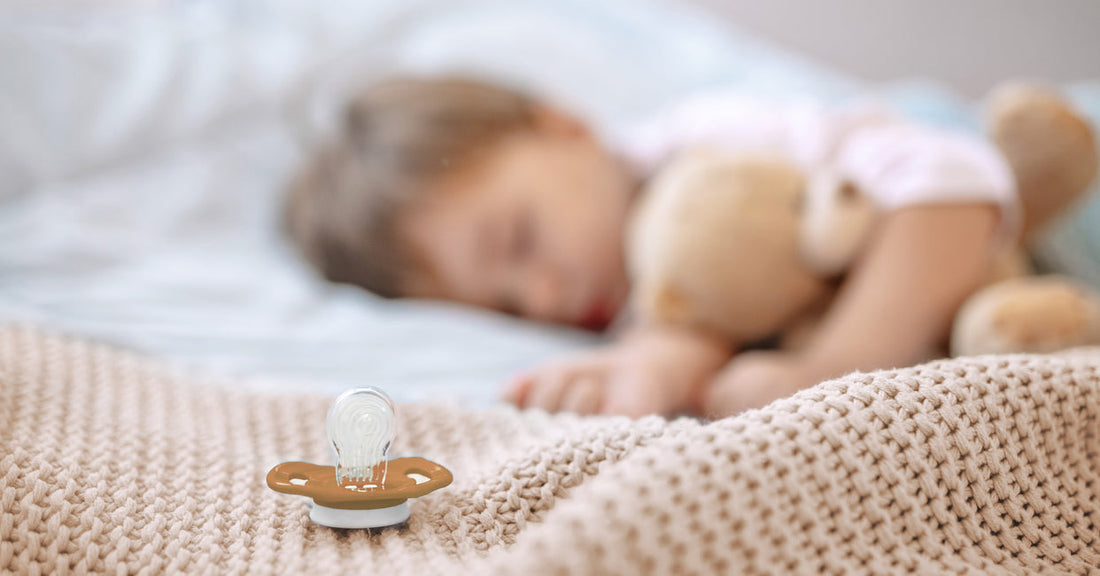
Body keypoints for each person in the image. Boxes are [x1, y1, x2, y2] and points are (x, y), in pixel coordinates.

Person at [284, 76, 1094, 418]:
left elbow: (946, 181)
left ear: (561, 125)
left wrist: (835, 366)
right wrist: (664, 359)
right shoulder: (624, 321)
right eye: (502, 304)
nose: (541, 299)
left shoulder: (711, 144)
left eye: (520, 239)